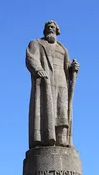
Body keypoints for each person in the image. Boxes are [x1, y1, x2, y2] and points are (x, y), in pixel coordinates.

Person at [26, 20, 80, 148]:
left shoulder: (63, 49)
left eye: (53, 27)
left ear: (57, 30)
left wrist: (73, 68)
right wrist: (39, 69)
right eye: (48, 27)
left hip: (62, 83)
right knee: (46, 110)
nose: (50, 28)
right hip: (46, 81)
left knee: (62, 111)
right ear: (44, 30)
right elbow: (30, 58)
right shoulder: (36, 43)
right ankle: (46, 138)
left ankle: (62, 139)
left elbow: (67, 67)